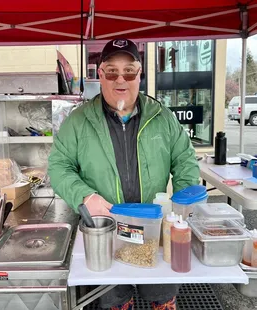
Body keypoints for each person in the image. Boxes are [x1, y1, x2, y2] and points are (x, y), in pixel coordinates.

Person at [48, 38, 200, 310]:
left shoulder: (163, 117)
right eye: (112, 71)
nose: (121, 79)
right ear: (100, 75)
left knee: (162, 294)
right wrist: (84, 196)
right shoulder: (77, 122)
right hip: (107, 232)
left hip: (156, 229)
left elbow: (184, 160)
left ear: (139, 75)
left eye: (129, 71)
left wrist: (182, 203)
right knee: (113, 298)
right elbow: (59, 167)